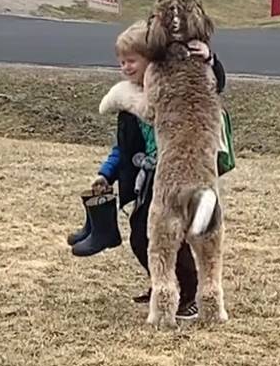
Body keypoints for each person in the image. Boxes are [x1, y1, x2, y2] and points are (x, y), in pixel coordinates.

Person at [71, 20, 227, 320]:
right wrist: (106, 174)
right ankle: (161, 285)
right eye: (121, 63)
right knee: (145, 238)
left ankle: (190, 294)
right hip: (150, 179)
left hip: (182, 174)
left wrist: (209, 57)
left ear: (152, 62)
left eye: (131, 61)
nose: (125, 68)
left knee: (188, 236)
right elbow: (123, 148)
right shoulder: (130, 102)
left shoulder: (178, 91)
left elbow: (215, 82)